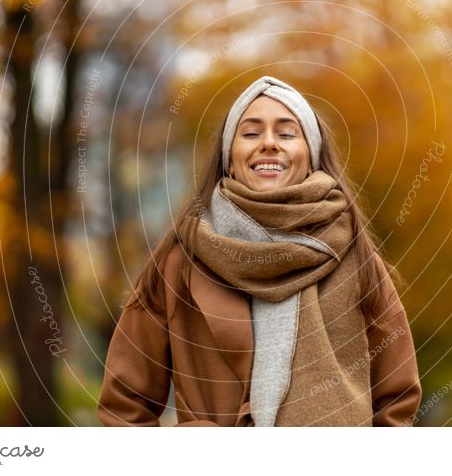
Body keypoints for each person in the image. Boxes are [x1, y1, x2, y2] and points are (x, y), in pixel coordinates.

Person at [98, 75, 422, 426]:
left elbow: (397, 397)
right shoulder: (179, 263)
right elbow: (124, 405)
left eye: (286, 133)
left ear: (311, 157)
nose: (269, 143)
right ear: (229, 159)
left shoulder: (356, 258)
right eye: (251, 133)